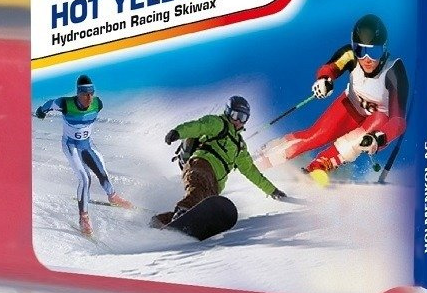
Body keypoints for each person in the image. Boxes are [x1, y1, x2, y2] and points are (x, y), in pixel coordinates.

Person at [257, 14, 408, 177]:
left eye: (374, 52)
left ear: (384, 49)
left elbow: (398, 120)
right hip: (350, 105)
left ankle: (320, 165)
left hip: (377, 119)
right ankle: (265, 158)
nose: (367, 59)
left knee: (355, 142)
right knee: (316, 136)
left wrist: (380, 138)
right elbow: (330, 68)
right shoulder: (350, 55)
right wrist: (324, 80)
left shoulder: (393, 71)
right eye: (360, 50)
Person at [153, 95, 286, 227]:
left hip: (215, 186)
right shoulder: (218, 124)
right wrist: (178, 132)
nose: (238, 121)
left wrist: (272, 191)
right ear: (228, 112)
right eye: (235, 115)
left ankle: (159, 223)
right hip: (201, 165)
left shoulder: (240, 147)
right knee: (198, 190)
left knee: (199, 210)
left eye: (243, 118)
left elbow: (251, 171)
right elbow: (198, 126)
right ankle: (182, 211)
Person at [34, 74, 132, 236]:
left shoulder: (98, 104)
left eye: (91, 93)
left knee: (102, 172)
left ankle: (113, 196)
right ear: (78, 93)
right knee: (85, 179)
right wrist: (41, 112)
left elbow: (93, 104)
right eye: (85, 94)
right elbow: (48, 104)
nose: (89, 98)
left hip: (87, 145)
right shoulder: (65, 104)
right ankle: (84, 218)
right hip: (71, 146)